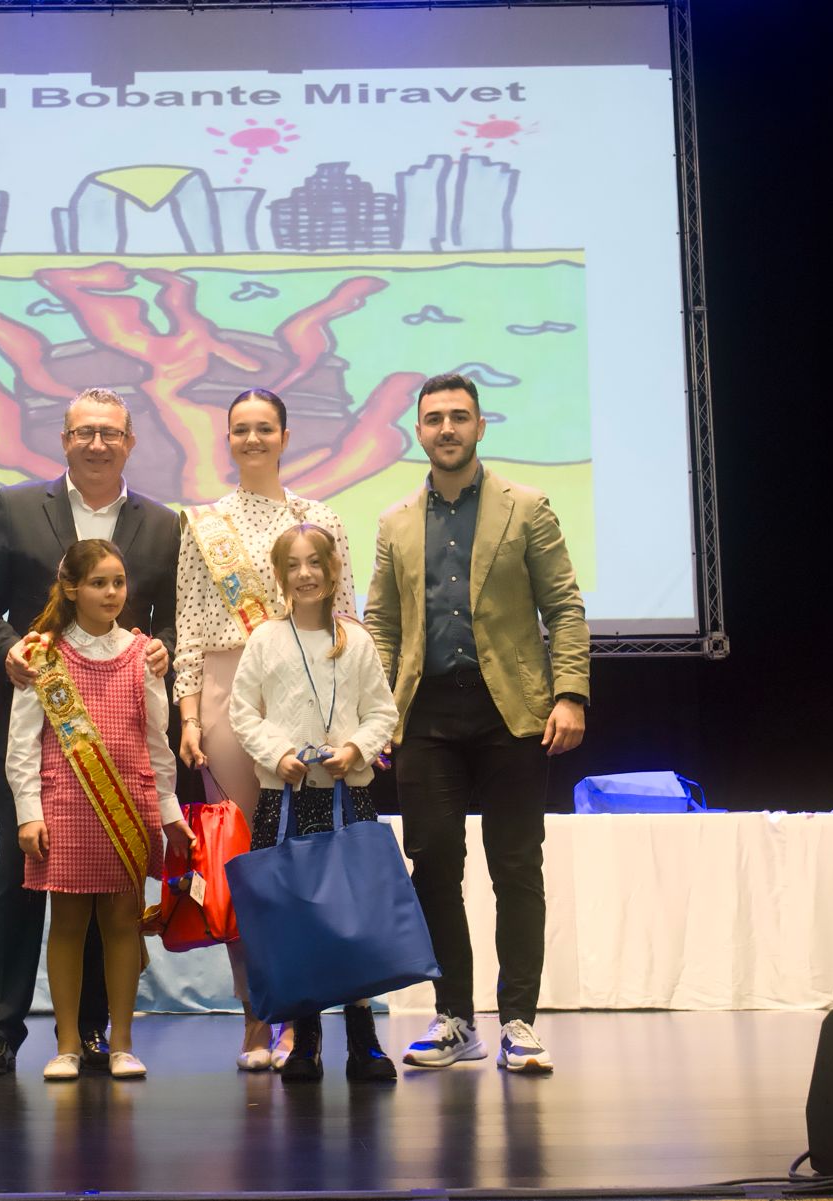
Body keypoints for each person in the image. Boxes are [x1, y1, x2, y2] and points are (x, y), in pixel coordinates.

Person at [363, 372, 589, 1074]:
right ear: (418, 431)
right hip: (425, 715)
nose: (447, 429)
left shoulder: (528, 507)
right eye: (434, 418)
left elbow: (565, 607)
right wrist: (377, 713)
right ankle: (455, 1018)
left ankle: (519, 1020)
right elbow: (381, 624)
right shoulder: (396, 521)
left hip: (512, 713)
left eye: (459, 417)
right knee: (433, 865)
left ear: (481, 426)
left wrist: (571, 694)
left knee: (516, 865)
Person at [0, 388, 181, 1078]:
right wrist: (10, 653)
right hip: (34, 741)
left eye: (110, 433)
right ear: (64, 440)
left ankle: (89, 1031)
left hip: (119, 744)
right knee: (19, 882)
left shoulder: (163, 524)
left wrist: (166, 650)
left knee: (105, 887)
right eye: (85, 431)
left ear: (130, 443)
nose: (97, 443)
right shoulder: (17, 508)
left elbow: (176, 621)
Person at [173, 388, 357, 1070]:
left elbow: (346, 618)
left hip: (308, 694)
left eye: (264, 428)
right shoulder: (203, 525)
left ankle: (301, 1021)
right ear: (228, 438)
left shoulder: (321, 519)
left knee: (303, 858)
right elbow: (190, 626)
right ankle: (257, 1018)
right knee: (245, 863)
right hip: (228, 695)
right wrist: (189, 715)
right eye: (240, 429)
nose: (252, 439)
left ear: (285, 435)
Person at [7, 539, 192, 1080]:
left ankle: (122, 1044)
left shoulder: (144, 654)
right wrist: (28, 811)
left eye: (118, 582)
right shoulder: (43, 655)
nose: (112, 593)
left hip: (128, 806)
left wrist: (169, 810)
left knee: (122, 923)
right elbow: (22, 743)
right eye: (98, 583)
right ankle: (66, 1044)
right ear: (70, 589)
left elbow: (157, 742)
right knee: (66, 924)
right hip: (64, 805)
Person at [228, 523, 400, 1083]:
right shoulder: (264, 640)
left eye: (315, 563)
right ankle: (304, 1039)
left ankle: (363, 1039)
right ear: (280, 576)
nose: (305, 574)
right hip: (286, 801)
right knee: (295, 917)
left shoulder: (357, 640)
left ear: (333, 570)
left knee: (356, 918)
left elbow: (383, 712)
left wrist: (356, 749)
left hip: (347, 800)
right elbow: (243, 713)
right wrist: (278, 754)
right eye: (293, 565)